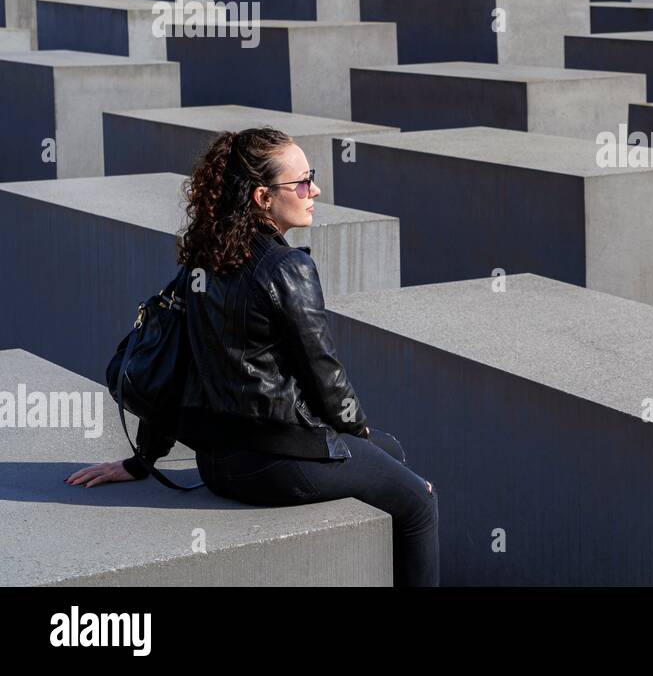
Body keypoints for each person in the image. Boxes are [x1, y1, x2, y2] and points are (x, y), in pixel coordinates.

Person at [67, 127, 439, 587]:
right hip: (275, 465)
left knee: (392, 452)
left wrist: (144, 459)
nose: (315, 190)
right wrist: (355, 429)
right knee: (420, 503)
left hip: (219, 465)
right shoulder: (289, 268)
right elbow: (326, 375)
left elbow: (177, 365)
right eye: (302, 182)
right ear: (264, 197)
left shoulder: (205, 260)